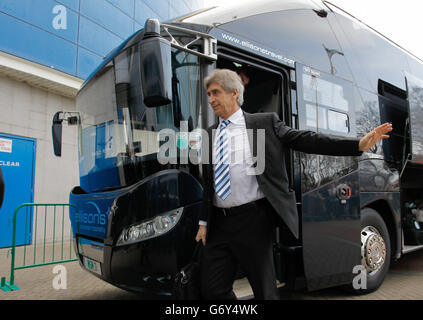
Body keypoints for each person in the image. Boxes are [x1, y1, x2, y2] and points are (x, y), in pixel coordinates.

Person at [195, 68, 392, 300]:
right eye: (209, 94)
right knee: (212, 289)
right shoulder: (210, 134)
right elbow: (209, 183)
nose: (211, 100)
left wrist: (356, 145)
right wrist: (203, 222)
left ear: (234, 93)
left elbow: (306, 139)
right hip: (219, 223)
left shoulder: (264, 123)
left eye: (215, 93)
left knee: (264, 290)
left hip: (252, 221)